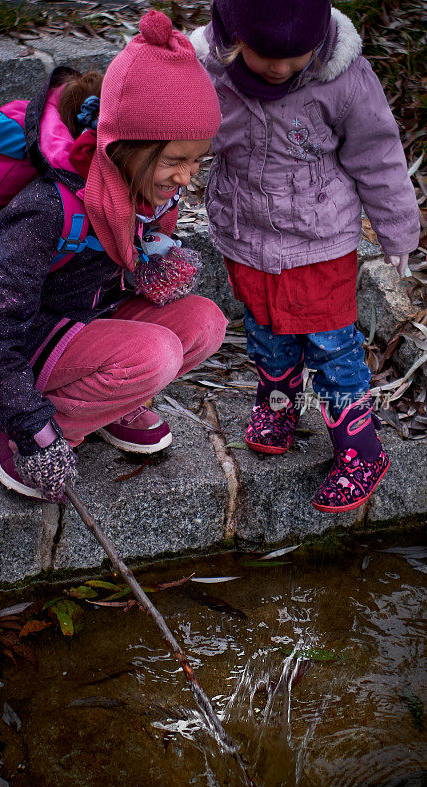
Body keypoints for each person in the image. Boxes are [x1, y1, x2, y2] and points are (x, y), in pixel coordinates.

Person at [0, 10, 226, 502]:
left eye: (197, 161)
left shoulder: (149, 195)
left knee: (206, 321)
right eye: (174, 161)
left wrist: (149, 265)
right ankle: (36, 432)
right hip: (31, 337)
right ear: (125, 146)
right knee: (155, 354)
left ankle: (109, 403)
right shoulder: (48, 210)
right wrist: (28, 424)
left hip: (91, 320)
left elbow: (120, 264)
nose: (187, 178)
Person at [190, 0, 420, 512]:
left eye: (296, 56)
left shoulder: (344, 79)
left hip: (320, 241)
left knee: (330, 343)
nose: (280, 67)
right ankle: (278, 403)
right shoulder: (209, 74)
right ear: (231, 36)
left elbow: (379, 155)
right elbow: (177, 133)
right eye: (265, 54)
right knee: (266, 331)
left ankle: (361, 448)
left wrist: (398, 232)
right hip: (246, 234)